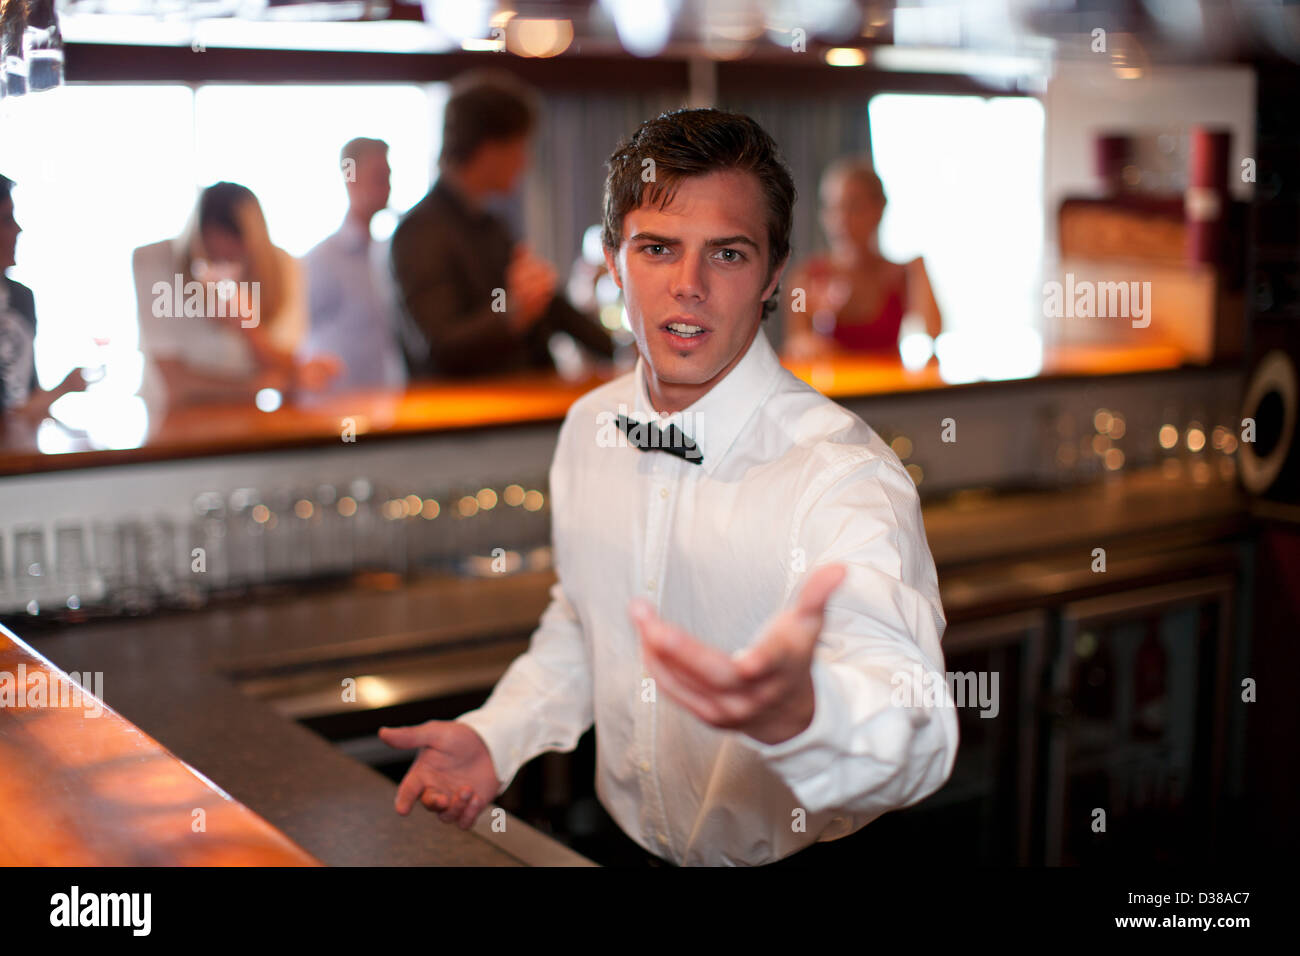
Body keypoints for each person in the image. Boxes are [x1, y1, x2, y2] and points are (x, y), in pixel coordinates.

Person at [378, 109, 957, 867]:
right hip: (625, 847)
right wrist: (499, 735)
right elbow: (586, 621)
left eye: (727, 253)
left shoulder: (842, 475)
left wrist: (812, 714)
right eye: (658, 248)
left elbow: (915, 714)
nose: (688, 286)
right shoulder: (590, 427)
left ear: (773, 274)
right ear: (616, 260)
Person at [389, 70, 615, 378]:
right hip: (466, 417)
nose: (526, 161)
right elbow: (438, 347)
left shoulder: (490, 225)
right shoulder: (418, 231)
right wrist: (512, 314)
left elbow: (548, 304)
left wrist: (622, 353)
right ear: (489, 147)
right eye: (521, 146)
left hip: (516, 401)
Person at [134, 181, 338, 410]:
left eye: (234, 256)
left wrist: (250, 328)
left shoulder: (283, 266)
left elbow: (288, 370)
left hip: (255, 423)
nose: (224, 267)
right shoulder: (153, 262)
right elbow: (175, 384)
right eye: (211, 256)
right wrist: (255, 387)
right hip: (170, 425)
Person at [783, 159, 942, 361]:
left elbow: (933, 330)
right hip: (835, 391)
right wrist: (806, 343)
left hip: (891, 388)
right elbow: (796, 340)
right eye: (832, 208)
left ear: (879, 209)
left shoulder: (903, 275)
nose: (841, 219)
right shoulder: (804, 281)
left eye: (854, 206)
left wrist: (920, 272)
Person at [301, 137, 407, 392]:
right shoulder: (322, 259)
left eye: (388, 177)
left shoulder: (386, 252)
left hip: (385, 401)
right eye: (379, 177)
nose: (388, 187)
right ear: (351, 178)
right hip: (336, 405)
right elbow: (300, 336)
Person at [0, 173, 86, 420]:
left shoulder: (21, 297)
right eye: (6, 219)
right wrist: (64, 388)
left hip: (24, 453)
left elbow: (28, 399)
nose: (18, 228)